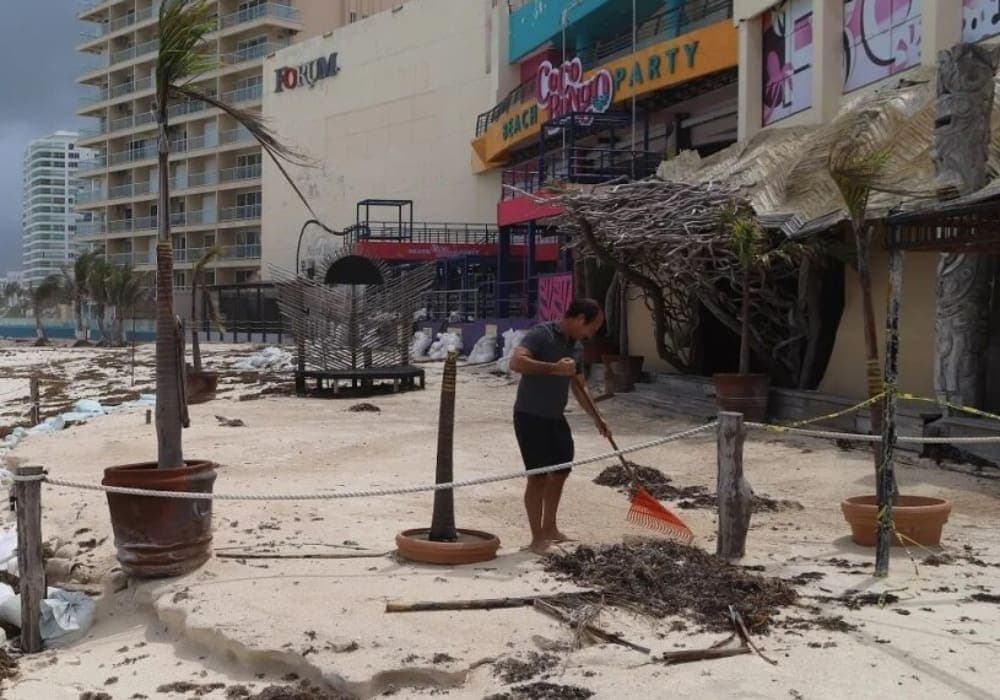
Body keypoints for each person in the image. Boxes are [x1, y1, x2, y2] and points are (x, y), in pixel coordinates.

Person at [509, 298, 610, 554]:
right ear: (579, 319)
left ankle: (551, 527)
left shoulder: (575, 346)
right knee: (538, 477)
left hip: (555, 417)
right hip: (530, 416)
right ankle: (537, 538)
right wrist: (554, 368)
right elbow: (516, 362)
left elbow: (579, 385)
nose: (592, 334)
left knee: (562, 471)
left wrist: (598, 417)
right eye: (592, 327)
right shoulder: (541, 334)